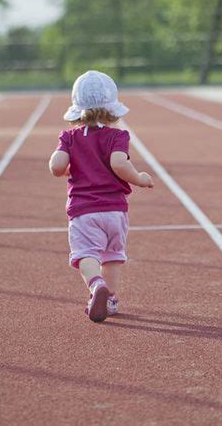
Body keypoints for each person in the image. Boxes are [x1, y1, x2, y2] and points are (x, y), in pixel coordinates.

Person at [49, 70, 154, 323]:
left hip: (84, 211)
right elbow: (119, 163)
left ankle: (96, 285)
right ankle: (111, 299)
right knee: (113, 256)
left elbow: (56, 166)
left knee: (87, 255)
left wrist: (62, 166)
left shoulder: (69, 137)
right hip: (115, 211)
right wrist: (139, 177)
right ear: (112, 108)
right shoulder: (118, 136)